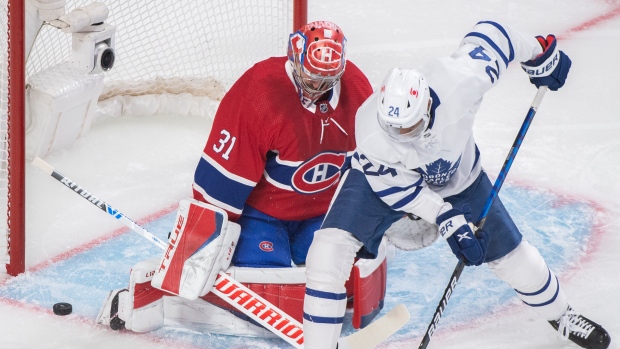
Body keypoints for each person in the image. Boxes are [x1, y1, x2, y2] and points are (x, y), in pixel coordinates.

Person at [302, 20, 611, 349]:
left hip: (458, 178)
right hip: (383, 182)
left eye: (406, 131)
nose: (399, 141)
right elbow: (401, 190)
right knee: (328, 251)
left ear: (426, 110)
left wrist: (539, 53)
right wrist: (447, 219)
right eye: (392, 130)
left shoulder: (459, 81)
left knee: (512, 254)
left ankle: (561, 315)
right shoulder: (373, 133)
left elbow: (495, 36)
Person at [97, 20, 384, 338]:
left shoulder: (357, 90)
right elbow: (220, 183)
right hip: (262, 215)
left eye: (327, 80)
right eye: (311, 78)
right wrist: (199, 244)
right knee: (267, 286)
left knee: (338, 279)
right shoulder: (259, 94)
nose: (318, 88)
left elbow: (370, 167)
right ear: (293, 58)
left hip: (322, 210)